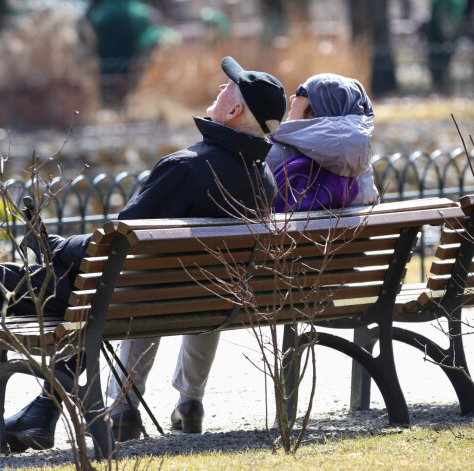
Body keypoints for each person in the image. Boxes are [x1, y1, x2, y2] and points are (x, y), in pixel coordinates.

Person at [0, 56, 287, 456]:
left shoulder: (187, 167)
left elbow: (116, 245)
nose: (219, 89)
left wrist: (56, 245)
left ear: (234, 110)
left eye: (227, 88)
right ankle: (43, 411)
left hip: (124, 298)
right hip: (180, 302)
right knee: (83, 291)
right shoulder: (262, 179)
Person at [104, 72, 380, 441]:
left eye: (298, 93)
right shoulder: (362, 169)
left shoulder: (270, 158)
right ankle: (190, 400)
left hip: (241, 290)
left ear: (312, 109)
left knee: (165, 285)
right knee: (217, 282)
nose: (290, 98)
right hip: (314, 290)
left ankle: (129, 403)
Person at [267, 72, 379, 211]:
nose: (292, 98)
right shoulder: (360, 166)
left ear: (314, 112)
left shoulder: (272, 155)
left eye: (300, 92)